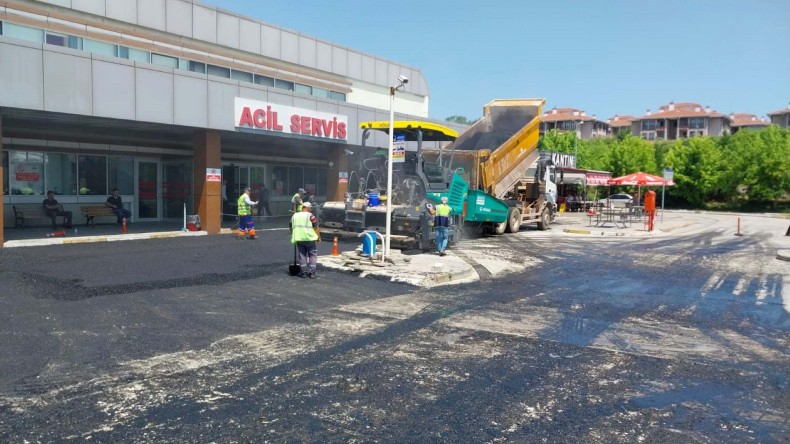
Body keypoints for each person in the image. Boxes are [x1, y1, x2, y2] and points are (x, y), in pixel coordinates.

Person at [290, 201, 321, 278]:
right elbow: (315, 227)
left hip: (299, 238)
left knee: (302, 256)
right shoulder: (311, 216)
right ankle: (312, 273)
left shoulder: (295, 215)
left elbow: (290, 226)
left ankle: (303, 272)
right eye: (310, 208)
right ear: (307, 208)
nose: (311, 209)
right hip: (309, 238)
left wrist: (293, 234)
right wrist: (318, 237)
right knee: (312, 255)